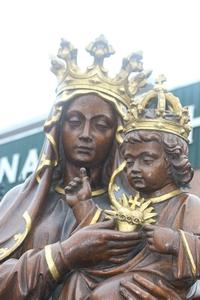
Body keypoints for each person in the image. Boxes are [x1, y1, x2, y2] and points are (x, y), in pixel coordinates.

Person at [0, 36, 150, 300]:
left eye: (101, 125)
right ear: (58, 128)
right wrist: (65, 254)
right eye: (75, 121)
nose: (86, 134)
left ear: (116, 136)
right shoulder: (17, 202)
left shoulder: (133, 210)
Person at [65, 77, 200, 299]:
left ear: (173, 161)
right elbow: (108, 238)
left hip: (160, 281)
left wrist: (176, 241)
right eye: (129, 161)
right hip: (124, 272)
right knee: (78, 278)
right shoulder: (128, 201)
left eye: (147, 160)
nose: (134, 168)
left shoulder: (189, 204)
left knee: (103, 295)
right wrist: (83, 205)